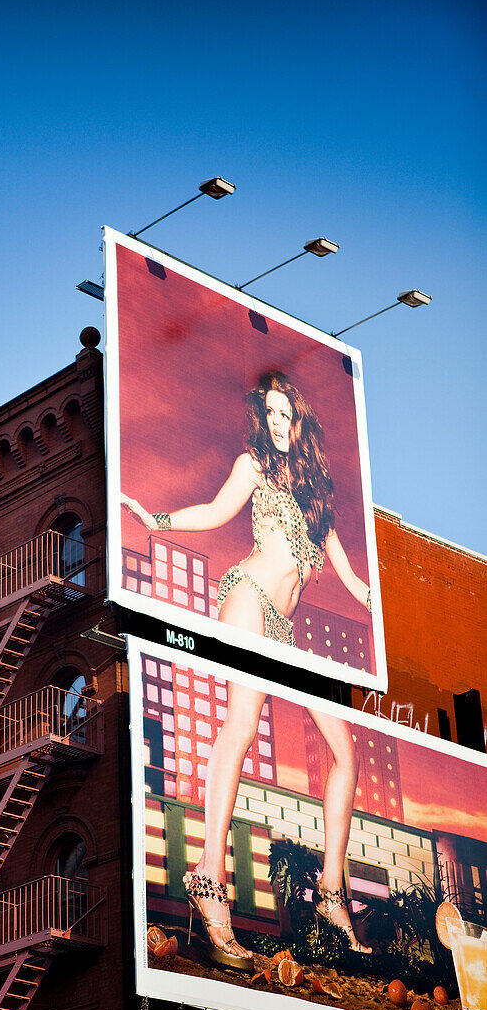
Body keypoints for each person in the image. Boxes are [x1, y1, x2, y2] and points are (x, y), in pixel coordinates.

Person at [121, 370, 372, 970]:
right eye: (271, 414)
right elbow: (213, 511)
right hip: (246, 597)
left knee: (346, 753)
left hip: (284, 628)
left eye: (287, 415)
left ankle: (332, 896)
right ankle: (209, 884)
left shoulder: (316, 494)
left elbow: (355, 580)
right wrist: (158, 520)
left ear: (300, 421)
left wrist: (379, 606)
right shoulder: (253, 464)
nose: (278, 424)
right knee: (241, 723)